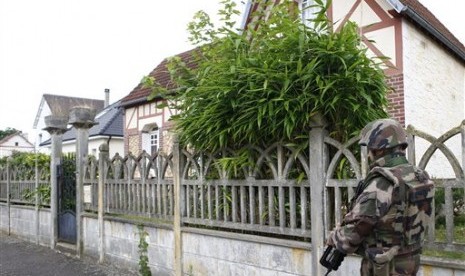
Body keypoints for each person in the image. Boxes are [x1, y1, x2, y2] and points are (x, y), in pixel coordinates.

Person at [326, 118, 434, 275]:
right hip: (410, 261)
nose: (369, 155)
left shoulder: (382, 182)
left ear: (379, 149)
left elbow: (356, 229)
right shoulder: (418, 175)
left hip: (384, 266)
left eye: (369, 149)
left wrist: (334, 237)